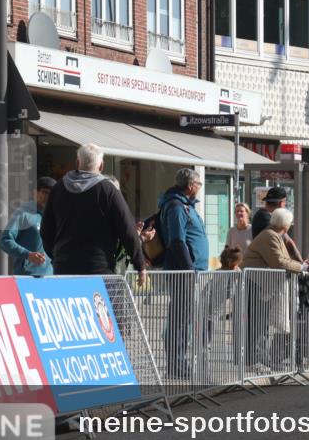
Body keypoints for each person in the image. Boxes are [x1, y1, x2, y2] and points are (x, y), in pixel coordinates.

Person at [40, 143, 147, 284]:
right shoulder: (108, 190)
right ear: (101, 166)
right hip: (98, 269)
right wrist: (140, 265)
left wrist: (56, 256)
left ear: (77, 162)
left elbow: (46, 230)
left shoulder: (58, 188)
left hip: (64, 269)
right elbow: (127, 229)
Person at [242, 208, 309, 371]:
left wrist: (300, 265)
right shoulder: (270, 236)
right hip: (257, 283)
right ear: (285, 224)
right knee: (256, 325)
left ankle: (257, 360)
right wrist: (303, 267)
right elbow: (279, 261)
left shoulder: (273, 235)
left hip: (262, 284)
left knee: (260, 325)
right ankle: (251, 362)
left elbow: (283, 260)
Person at [157, 169, 209, 378]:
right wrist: (189, 270)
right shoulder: (177, 207)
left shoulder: (185, 205)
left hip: (189, 271)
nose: (199, 188)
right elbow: (177, 241)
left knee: (184, 319)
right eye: (198, 184)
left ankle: (180, 362)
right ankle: (176, 364)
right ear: (190, 186)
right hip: (183, 273)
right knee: (179, 319)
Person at [0, 177, 55, 276]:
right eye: (45, 192)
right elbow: (4, 240)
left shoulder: (55, 216)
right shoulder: (23, 213)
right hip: (27, 277)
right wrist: (28, 255)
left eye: (52, 194)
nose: (48, 197)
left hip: (51, 276)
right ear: (35, 193)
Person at [251, 186, 304, 263]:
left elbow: (288, 241)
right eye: (285, 203)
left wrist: (301, 263)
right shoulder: (265, 217)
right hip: (265, 265)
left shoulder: (263, 216)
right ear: (281, 203)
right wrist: (301, 264)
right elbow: (287, 241)